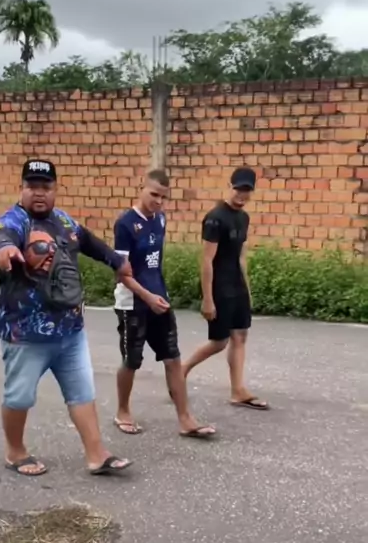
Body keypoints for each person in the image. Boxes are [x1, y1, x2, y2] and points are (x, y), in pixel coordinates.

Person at [0, 158, 134, 477]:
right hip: (27, 335)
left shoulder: (64, 222)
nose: (39, 193)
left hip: (70, 330)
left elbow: (89, 241)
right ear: (21, 188)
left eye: (45, 186)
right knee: (19, 397)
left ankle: (97, 455)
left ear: (55, 189)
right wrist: (5, 252)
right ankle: (15, 451)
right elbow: (2, 237)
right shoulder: (14, 221)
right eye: (32, 186)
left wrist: (116, 261)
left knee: (82, 392)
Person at [112, 168, 216, 438]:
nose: (158, 201)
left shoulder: (160, 219)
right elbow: (121, 273)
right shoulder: (125, 224)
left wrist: (159, 295)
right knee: (131, 360)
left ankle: (186, 419)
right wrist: (147, 297)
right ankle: (122, 411)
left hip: (159, 300)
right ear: (142, 188)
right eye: (154, 194)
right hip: (132, 303)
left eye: (163, 197)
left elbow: (154, 265)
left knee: (173, 358)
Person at [181, 166, 268, 409]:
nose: (242, 194)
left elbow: (241, 257)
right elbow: (207, 260)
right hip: (219, 287)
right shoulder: (215, 217)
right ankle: (181, 370)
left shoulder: (244, 218)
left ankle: (238, 390)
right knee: (219, 342)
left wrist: (247, 289)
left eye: (247, 190)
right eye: (238, 189)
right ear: (229, 187)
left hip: (237, 286)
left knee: (240, 336)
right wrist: (207, 298)